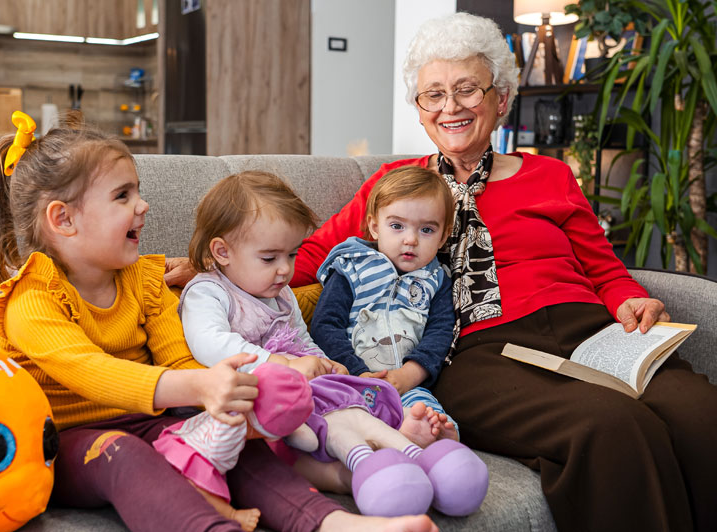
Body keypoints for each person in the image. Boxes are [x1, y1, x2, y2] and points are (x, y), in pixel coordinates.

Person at [289, 12, 717, 532]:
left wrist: (630, 297)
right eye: (434, 94)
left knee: (700, 411)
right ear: (421, 110)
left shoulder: (550, 174)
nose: (451, 107)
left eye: (467, 89)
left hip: (589, 332)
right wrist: (207, 268)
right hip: (480, 351)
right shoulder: (398, 188)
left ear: (501, 99)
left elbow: (605, 269)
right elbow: (309, 255)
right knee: (610, 426)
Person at [0, 111, 440, 532]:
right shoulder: (32, 298)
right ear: (63, 219)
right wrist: (201, 388)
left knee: (241, 445)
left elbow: (179, 358)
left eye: (138, 191)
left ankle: (338, 524)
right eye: (123, 195)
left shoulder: (145, 281)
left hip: (152, 419)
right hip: (68, 445)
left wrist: (227, 401)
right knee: (125, 456)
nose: (142, 205)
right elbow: (93, 372)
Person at [179, 170, 488, 517]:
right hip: (250, 399)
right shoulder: (208, 292)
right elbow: (211, 343)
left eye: (292, 256)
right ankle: (350, 472)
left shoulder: (280, 295)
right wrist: (280, 365)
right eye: (270, 258)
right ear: (222, 251)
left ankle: (407, 448)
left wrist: (327, 364)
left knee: (349, 405)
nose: (285, 271)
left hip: (301, 390)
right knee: (294, 444)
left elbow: (303, 339)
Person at [311, 166, 459, 442]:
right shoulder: (351, 269)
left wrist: (408, 376)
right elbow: (324, 325)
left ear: (443, 236)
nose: (410, 239)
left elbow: (440, 334)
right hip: (349, 380)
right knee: (339, 416)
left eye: (427, 229)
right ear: (375, 226)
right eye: (397, 226)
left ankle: (435, 436)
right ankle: (376, 442)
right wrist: (357, 373)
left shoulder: (436, 280)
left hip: (406, 385)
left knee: (423, 409)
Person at [153, 362, 314, 531]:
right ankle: (231, 515)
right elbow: (214, 458)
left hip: (180, 439)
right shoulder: (234, 428)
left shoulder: (229, 400)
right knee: (203, 490)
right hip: (192, 458)